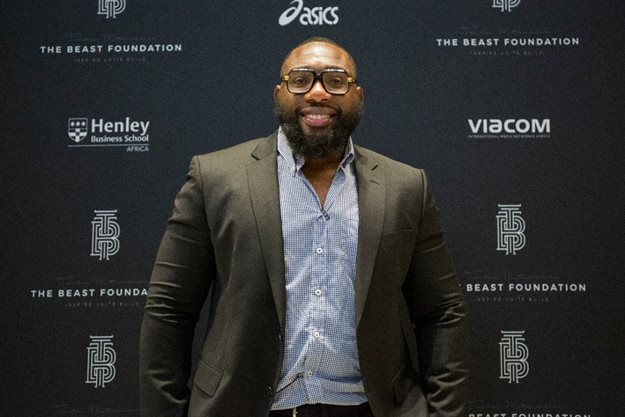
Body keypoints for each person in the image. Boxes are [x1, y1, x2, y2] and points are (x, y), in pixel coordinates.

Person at [140, 37, 469, 417]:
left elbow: (441, 311)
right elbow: (169, 309)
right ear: (279, 93)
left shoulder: (405, 187)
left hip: (370, 407)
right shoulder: (214, 178)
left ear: (358, 95)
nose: (317, 93)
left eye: (335, 80)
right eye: (300, 80)